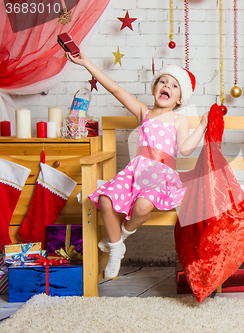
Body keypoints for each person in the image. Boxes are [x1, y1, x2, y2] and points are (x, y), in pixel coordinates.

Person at [66, 52, 208, 279]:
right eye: (163, 81)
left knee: (142, 207)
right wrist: (85, 63)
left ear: (180, 99)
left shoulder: (177, 119)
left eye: (174, 85)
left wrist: (201, 126)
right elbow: (115, 89)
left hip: (160, 174)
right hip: (136, 171)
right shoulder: (145, 112)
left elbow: (185, 149)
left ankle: (120, 237)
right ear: (154, 88)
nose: (166, 86)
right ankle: (115, 249)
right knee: (105, 199)